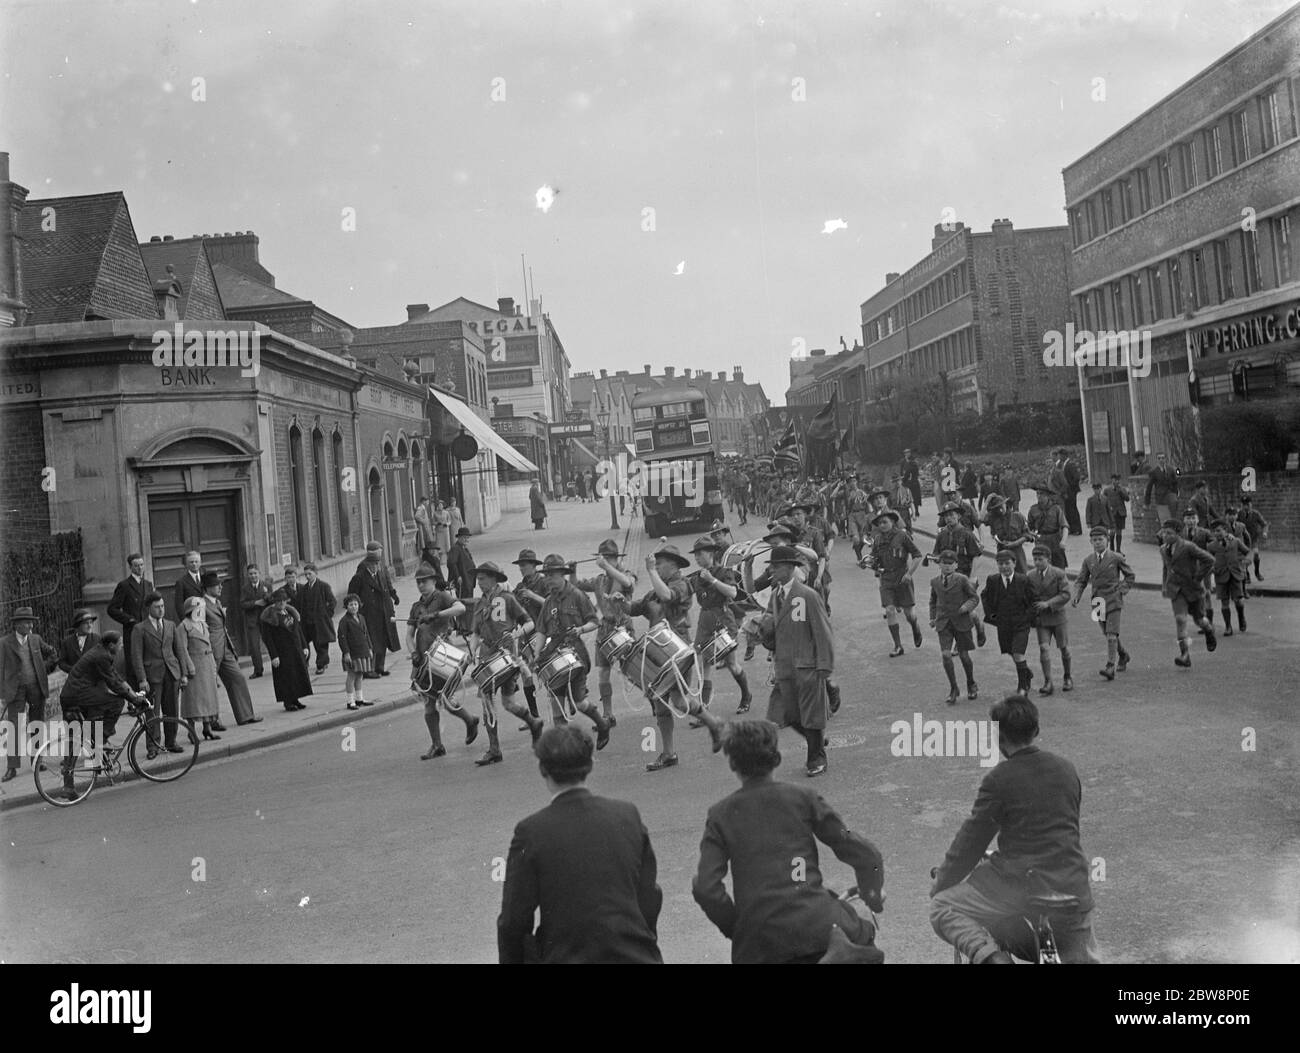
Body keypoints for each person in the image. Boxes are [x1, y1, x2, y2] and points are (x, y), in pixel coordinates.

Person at [693, 719, 885, 964]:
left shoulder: (720, 815)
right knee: (866, 940)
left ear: (732, 762)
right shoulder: (803, 797)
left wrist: (738, 928)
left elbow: (705, 887)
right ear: (776, 757)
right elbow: (864, 854)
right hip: (817, 926)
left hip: (758, 945)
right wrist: (873, 895)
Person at [930, 695, 1099, 964]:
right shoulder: (1066, 769)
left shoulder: (998, 779)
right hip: (1073, 888)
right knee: (1083, 957)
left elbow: (970, 842)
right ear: (1036, 731)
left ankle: (993, 959)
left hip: (1024, 890)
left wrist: (942, 883)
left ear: (999, 736)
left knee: (943, 907)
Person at [497, 725, 663, 964]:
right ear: (591, 765)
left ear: (543, 769)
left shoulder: (531, 832)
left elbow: (513, 922)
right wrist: (643, 941)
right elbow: (649, 894)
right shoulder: (627, 815)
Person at [628, 544, 723, 771]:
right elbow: (636, 608)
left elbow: (666, 595)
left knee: (678, 702)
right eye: (656, 565)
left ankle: (713, 724)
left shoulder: (682, 584)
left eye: (660, 564)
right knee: (664, 702)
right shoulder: (655, 588)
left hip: (676, 649)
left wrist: (650, 572)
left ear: (673, 565)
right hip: (658, 650)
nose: (657, 567)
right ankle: (670, 753)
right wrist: (617, 601)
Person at [763, 545, 834, 777]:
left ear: (791, 568)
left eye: (777, 567)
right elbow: (773, 628)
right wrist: (761, 632)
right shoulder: (775, 596)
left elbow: (823, 631)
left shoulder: (807, 595)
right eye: (771, 567)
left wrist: (825, 666)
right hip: (785, 666)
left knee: (811, 715)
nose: (772, 571)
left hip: (807, 666)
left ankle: (816, 757)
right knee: (789, 715)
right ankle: (817, 742)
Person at [469, 562, 545, 764]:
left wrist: (515, 634)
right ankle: (494, 749)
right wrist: (472, 649)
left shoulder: (507, 598)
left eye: (483, 578)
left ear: (494, 579)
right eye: (478, 578)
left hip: (507, 656)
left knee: (508, 703)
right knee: (487, 701)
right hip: (487, 656)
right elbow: (475, 633)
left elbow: (529, 623)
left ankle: (533, 722)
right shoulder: (479, 605)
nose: (479, 582)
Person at [408, 563, 474, 760]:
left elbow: (460, 608)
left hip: (443, 655)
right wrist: (413, 653)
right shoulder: (416, 607)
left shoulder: (443, 597)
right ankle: (437, 745)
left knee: (445, 698)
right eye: (418, 582)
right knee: (429, 703)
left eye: (424, 582)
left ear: (434, 581)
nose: (421, 585)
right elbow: (409, 635)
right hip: (423, 657)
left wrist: (437, 614)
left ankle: (470, 720)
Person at [58, 631, 148, 770]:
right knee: (116, 703)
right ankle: (102, 740)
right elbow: (114, 683)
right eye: (120, 644)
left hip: (73, 693)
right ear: (111, 645)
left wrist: (133, 695)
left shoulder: (101, 652)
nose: (122, 646)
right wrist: (133, 700)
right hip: (77, 694)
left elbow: (116, 677)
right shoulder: (102, 656)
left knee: (82, 731)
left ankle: (94, 754)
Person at [688, 536, 753, 716]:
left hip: (723, 617)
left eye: (700, 554)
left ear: (711, 553)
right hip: (705, 620)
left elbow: (732, 592)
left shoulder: (723, 572)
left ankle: (746, 695)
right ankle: (704, 710)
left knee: (731, 663)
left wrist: (712, 580)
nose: (697, 558)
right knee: (704, 665)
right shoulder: (696, 577)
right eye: (696, 555)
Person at [575, 539, 637, 727]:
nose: (606, 561)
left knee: (632, 669)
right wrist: (571, 571)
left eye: (610, 558)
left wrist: (606, 566)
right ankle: (608, 714)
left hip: (623, 626)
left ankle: (653, 699)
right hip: (605, 629)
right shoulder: (599, 580)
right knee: (603, 672)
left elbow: (628, 583)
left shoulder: (626, 574)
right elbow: (576, 584)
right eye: (604, 558)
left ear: (617, 559)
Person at [0, 607, 58, 782]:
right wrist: (2, 693)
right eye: (26, 622)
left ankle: (37, 760)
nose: (30, 625)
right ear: (16, 624)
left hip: (35, 687)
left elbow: (53, 654)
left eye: (31, 621)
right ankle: (12, 767)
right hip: (15, 690)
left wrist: (44, 667)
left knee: (37, 724)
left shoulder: (35, 639)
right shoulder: (4, 643)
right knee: (13, 728)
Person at [1071, 527, 1134, 681]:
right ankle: (1123, 654)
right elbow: (1081, 580)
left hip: (1113, 598)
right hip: (1098, 601)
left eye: (1101, 539)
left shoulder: (1116, 558)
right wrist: (1077, 595)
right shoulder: (1088, 560)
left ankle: (1110, 666)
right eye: (1095, 540)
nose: (1098, 543)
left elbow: (1130, 575)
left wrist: (1121, 590)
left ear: (1107, 539)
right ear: (1090, 542)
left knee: (1112, 635)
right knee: (1107, 633)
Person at [128, 593, 187, 751]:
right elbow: (136, 656)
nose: (161, 610)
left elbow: (179, 650)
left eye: (162, 606)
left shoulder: (170, 625)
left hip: (171, 673)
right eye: (157, 607)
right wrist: (142, 679)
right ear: (149, 608)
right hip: (152, 676)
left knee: (172, 709)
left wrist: (184, 674)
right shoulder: (140, 629)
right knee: (152, 712)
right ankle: (153, 746)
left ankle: (171, 742)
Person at [201, 571, 259, 727]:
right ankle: (212, 722)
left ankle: (246, 715)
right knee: (210, 686)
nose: (221, 587)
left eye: (220, 584)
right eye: (217, 585)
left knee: (238, 678)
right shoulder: (201, 605)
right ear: (207, 588)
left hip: (225, 648)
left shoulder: (217, 603)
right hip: (210, 651)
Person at [1157, 519, 1217, 668]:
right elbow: (1166, 568)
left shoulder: (1188, 547)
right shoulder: (1163, 549)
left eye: (1169, 533)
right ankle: (1185, 655)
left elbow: (1209, 560)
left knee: (1199, 620)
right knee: (1180, 619)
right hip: (1176, 591)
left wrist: (1198, 577)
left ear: (1178, 534)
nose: (1165, 535)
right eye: (1164, 532)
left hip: (1193, 589)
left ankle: (1209, 630)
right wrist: (1165, 585)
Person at [869, 509, 923, 658]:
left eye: (885, 522)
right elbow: (874, 559)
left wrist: (909, 574)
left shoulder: (902, 535)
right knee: (890, 610)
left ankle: (915, 626)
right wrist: (868, 563)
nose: (882, 525)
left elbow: (917, 555)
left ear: (892, 522)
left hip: (902, 577)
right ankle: (898, 645)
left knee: (909, 614)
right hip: (886, 578)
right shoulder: (878, 539)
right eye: (879, 523)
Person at [932, 501, 987, 647]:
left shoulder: (967, 534)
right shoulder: (941, 535)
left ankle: (971, 633)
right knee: (954, 609)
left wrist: (972, 577)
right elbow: (936, 553)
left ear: (958, 516)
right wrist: (935, 559)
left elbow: (976, 556)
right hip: (948, 579)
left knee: (963, 610)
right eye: (946, 516)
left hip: (964, 577)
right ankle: (972, 629)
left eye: (951, 515)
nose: (949, 518)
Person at [982, 549, 1036, 697]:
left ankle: (1022, 686)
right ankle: (1026, 672)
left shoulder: (1023, 580)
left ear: (1014, 563)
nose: (1004, 567)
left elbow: (1033, 601)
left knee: (1018, 652)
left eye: (1007, 563)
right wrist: (991, 614)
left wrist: (1027, 617)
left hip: (1021, 624)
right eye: (1000, 564)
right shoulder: (993, 580)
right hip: (1003, 623)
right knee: (1010, 651)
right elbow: (985, 597)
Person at [928, 550, 979, 706]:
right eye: (944, 563)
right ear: (939, 564)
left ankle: (971, 683)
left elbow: (974, 597)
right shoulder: (935, 581)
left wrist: (966, 607)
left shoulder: (962, 579)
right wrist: (932, 617)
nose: (947, 566)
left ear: (956, 565)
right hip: (943, 623)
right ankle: (953, 687)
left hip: (961, 622)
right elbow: (933, 600)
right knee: (946, 655)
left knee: (964, 656)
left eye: (951, 564)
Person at [347, 543, 400, 679]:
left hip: (384, 610)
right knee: (372, 642)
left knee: (382, 640)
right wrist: (356, 609)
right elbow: (352, 594)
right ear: (367, 565)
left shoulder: (380, 572)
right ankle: (368, 670)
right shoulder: (360, 576)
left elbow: (387, 583)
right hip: (369, 614)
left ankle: (379, 668)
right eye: (373, 565)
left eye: (377, 564)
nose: (375, 567)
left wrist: (393, 595)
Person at [1025, 544, 1073, 695]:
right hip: (1042, 619)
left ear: (1048, 559)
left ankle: (1067, 676)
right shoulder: (1030, 575)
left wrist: (1048, 603)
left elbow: (1065, 594)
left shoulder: (1058, 573)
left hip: (1057, 616)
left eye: (1040, 559)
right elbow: (1027, 596)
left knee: (1063, 648)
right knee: (1044, 648)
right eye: (1035, 559)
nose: (1037, 562)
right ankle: (1048, 681)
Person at [259, 589, 313, 711]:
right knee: (286, 677)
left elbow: (299, 631)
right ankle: (288, 701)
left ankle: (296, 699)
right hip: (282, 652)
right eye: (279, 601)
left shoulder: (290, 612)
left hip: (295, 649)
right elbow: (268, 639)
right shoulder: (269, 618)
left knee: (296, 675)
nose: (282, 603)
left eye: (284, 600)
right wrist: (273, 656)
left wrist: (304, 646)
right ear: (274, 602)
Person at [177, 596, 221, 740]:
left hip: (207, 664)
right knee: (193, 700)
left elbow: (209, 645)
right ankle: (191, 731)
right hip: (194, 667)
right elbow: (182, 649)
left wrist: (214, 666)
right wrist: (189, 668)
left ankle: (207, 728)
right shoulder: (184, 626)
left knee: (208, 698)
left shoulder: (203, 624)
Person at [511, 549, 546, 721]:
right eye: (520, 565)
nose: (521, 569)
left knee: (550, 671)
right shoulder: (519, 587)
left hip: (544, 634)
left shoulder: (544, 583)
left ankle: (568, 701)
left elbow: (553, 605)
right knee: (526, 676)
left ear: (533, 566)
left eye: (523, 565)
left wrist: (533, 596)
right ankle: (534, 715)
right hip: (526, 636)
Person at [107, 553, 152, 687]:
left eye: (142, 565)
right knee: (133, 665)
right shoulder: (124, 585)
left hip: (148, 630)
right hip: (132, 631)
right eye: (136, 565)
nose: (140, 568)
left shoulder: (148, 585)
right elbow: (112, 609)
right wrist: (129, 619)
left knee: (148, 662)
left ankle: (150, 699)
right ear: (130, 567)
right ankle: (136, 701)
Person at [1208, 520, 1249, 636]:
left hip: (1235, 575)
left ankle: (1241, 618)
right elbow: (1207, 559)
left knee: (1238, 600)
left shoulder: (1235, 541)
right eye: (1214, 531)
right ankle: (1228, 626)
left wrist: (1240, 562)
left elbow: (1246, 551)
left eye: (1219, 530)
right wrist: (1212, 568)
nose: (1217, 533)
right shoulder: (1211, 546)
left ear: (1226, 531)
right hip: (1220, 575)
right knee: (1224, 602)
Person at [296, 563, 337, 675]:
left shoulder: (324, 586)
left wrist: (327, 614)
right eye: (306, 574)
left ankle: (321, 664)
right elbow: (301, 605)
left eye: (310, 573)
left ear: (316, 573)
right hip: (308, 622)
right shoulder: (304, 589)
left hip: (320, 621)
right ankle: (307, 662)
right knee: (306, 642)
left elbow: (332, 601)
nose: (308, 576)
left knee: (321, 643)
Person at [337, 593, 374, 710]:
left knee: (360, 675)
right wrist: (346, 653)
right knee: (351, 675)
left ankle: (359, 699)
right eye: (351, 605)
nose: (354, 607)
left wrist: (370, 648)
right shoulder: (344, 621)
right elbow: (342, 638)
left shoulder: (361, 617)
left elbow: (366, 634)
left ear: (359, 605)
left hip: (363, 650)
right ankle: (350, 701)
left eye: (355, 604)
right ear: (346, 607)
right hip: (352, 653)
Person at [982, 493, 1029, 574]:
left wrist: (1014, 543)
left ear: (1005, 504)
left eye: (1001, 506)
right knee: (1005, 576)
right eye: (997, 508)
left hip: (1017, 551)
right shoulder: (994, 518)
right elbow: (981, 518)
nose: (1000, 509)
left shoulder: (1017, 516)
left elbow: (1027, 535)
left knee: (1022, 576)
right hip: (1002, 551)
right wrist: (987, 501)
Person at [241, 565, 273, 678]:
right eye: (250, 574)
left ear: (259, 573)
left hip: (265, 619)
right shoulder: (245, 588)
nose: (253, 576)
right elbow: (243, 604)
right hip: (252, 621)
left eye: (255, 573)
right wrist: (255, 603)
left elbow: (272, 601)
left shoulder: (266, 585)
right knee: (254, 646)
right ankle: (258, 670)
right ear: (247, 575)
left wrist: (266, 595)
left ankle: (277, 665)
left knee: (271, 643)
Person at [1027, 485, 1068, 570]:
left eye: (1041, 494)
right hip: (1041, 540)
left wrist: (1063, 541)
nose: (1039, 496)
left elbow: (1064, 526)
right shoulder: (1033, 510)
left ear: (1048, 496)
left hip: (1055, 539)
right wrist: (1032, 534)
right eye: (1037, 494)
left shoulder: (1056, 509)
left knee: (1059, 566)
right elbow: (1028, 528)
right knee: (1042, 566)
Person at [57, 609, 101, 674]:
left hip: (93, 680)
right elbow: (62, 663)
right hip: (75, 681)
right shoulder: (67, 642)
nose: (90, 626)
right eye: (86, 623)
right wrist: (73, 670)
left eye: (91, 622)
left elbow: (103, 659)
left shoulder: (97, 639)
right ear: (78, 625)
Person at [1143, 452, 1180, 526]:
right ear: (1157, 460)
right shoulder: (1154, 472)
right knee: (1164, 520)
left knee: (1173, 516)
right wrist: (1147, 502)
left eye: (1163, 458)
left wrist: (1176, 493)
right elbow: (1149, 487)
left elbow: (1176, 481)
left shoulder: (1171, 469)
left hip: (1170, 494)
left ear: (1165, 459)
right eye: (1159, 458)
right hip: (1160, 497)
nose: (1161, 460)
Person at [1238, 496, 1269, 582]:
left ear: (1251, 504)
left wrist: (1264, 532)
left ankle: (1257, 573)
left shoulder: (1256, 514)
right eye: (1243, 505)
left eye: (1247, 504)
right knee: (1243, 557)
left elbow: (1264, 524)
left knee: (1256, 554)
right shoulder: (1239, 514)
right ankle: (1246, 575)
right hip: (1243, 539)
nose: (1246, 507)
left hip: (1253, 539)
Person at [1054, 448, 1083, 536]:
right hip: (1065, 492)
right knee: (1068, 510)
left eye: (1059, 455)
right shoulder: (1062, 464)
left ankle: (1077, 529)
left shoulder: (1070, 465)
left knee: (1072, 509)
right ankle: (1071, 528)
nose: (1058, 457)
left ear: (1064, 455)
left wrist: (1070, 488)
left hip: (1071, 491)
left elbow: (1076, 477)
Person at [171, 550, 205, 622]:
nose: (194, 564)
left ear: (200, 563)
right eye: (191, 562)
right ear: (187, 564)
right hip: (192, 620)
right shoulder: (181, 582)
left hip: (207, 618)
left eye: (196, 561)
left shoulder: (205, 578)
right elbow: (179, 605)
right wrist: (186, 622)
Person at [1102, 474, 1130, 553]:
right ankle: (1111, 548)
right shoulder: (1107, 490)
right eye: (1115, 480)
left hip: (1120, 513)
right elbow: (1103, 500)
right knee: (1112, 531)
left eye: (1118, 480)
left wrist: (1121, 491)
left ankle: (1118, 549)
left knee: (1119, 531)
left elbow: (1127, 499)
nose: (1116, 482)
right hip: (1112, 513)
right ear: (1112, 480)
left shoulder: (1122, 489)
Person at [900, 448, 922, 515]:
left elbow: (910, 472)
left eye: (908, 452)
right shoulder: (903, 461)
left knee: (914, 497)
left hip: (910, 481)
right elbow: (901, 470)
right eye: (906, 453)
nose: (907, 454)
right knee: (911, 496)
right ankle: (914, 511)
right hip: (909, 481)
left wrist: (903, 480)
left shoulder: (912, 461)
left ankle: (916, 511)